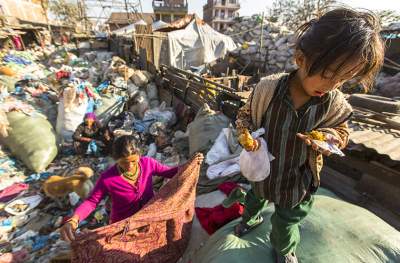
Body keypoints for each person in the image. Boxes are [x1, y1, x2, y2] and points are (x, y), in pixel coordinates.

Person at [234, 8, 384, 263]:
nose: (332, 85)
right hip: (264, 172)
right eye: (328, 74)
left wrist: (331, 138)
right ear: (300, 59)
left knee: (286, 224)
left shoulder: (333, 104)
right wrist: (245, 132)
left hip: (297, 182)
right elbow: (245, 115)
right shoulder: (268, 89)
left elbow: (341, 132)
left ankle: (284, 251)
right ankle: (250, 219)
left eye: (344, 78)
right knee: (254, 199)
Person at [61, 135, 200, 242]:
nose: (130, 166)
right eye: (124, 163)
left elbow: (170, 172)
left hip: (148, 218)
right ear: (116, 160)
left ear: (139, 155)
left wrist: (190, 166)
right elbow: (92, 202)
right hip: (122, 226)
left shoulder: (148, 164)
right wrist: (74, 220)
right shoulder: (108, 178)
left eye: (134, 161)